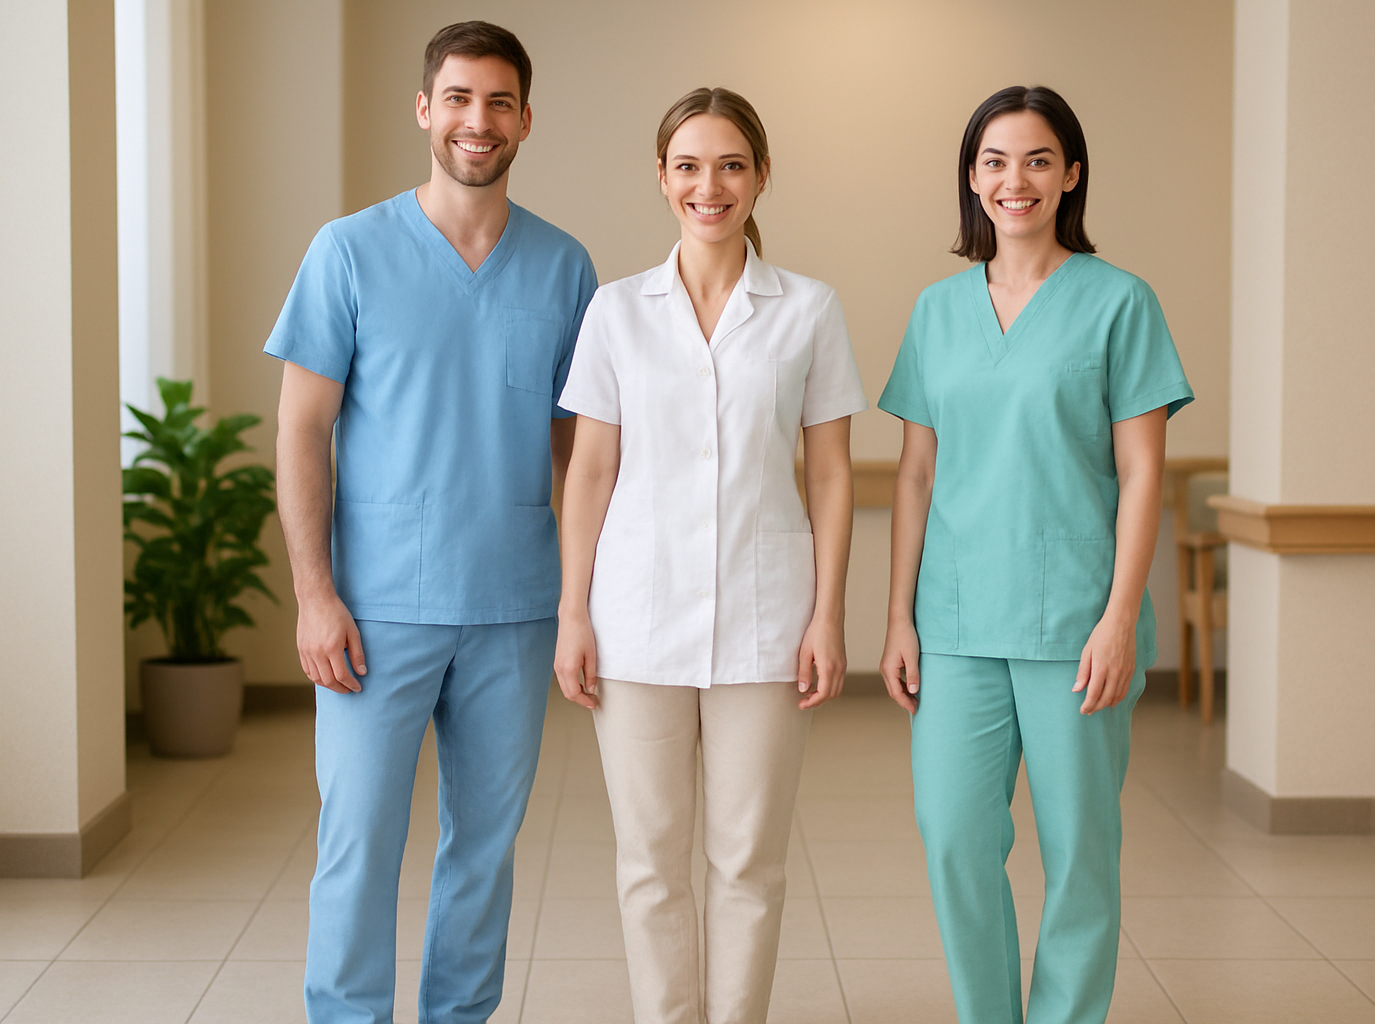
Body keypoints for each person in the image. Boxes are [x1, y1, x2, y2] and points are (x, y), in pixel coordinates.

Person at [264, 21, 596, 1024]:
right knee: (359, 838)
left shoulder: (563, 267)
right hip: (376, 609)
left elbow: (579, 456)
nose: (477, 120)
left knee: (483, 847)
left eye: (498, 102)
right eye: (458, 98)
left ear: (526, 120)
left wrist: (583, 598)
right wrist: (315, 595)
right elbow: (302, 429)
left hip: (512, 605)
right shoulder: (349, 252)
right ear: (424, 109)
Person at [878, 85, 1193, 1024]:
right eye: (994, 162)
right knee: (954, 840)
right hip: (959, 620)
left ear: (1071, 175)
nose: (1014, 181)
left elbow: (1143, 475)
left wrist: (1118, 620)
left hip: (1075, 626)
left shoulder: (1119, 303)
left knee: (1080, 851)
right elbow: (914, 476)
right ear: (972, 180)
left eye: (1038, 160)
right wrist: (897, 614)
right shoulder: (938, 311)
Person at [553, 87, 866, 1024]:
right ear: (661, 179)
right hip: (635, 623)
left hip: (767, 624)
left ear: (761, 176)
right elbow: (591, 471)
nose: (710, 185)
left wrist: (827, 615)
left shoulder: (808, 308)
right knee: (649, 864)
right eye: (688, 165)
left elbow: (833, 476)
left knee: (749, 862)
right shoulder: (617, 310)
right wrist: (574, 613)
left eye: (731, 164)